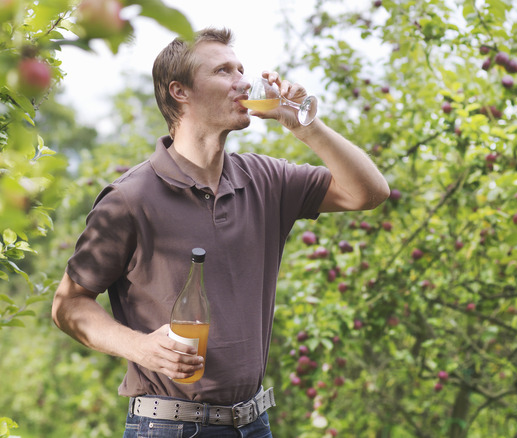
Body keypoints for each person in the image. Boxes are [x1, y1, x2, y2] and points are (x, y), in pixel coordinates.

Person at [51, 27, 390, 437]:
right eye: (224, 71)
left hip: (254, 423)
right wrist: (141, 348)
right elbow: (68, 305)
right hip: (167, 426)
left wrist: (305, 126)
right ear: (181, 92)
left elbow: (369, 192)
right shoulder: (129, 198)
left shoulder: (266, 179)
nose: (244, 82)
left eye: (241, 69)